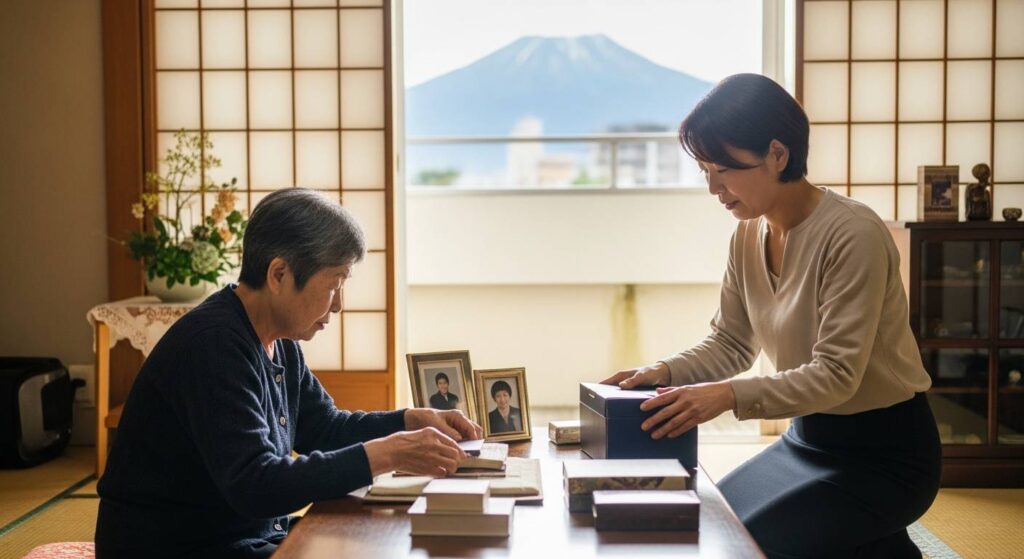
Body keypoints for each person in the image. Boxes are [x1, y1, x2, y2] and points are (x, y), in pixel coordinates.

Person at [602, 74, 940, 558]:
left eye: (724, 169)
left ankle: (877, 529)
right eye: (704, 170)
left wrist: (724, 397)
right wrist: (666, 372)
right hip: (807, 441)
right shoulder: (747, 235)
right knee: (709, 523)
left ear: (778, 155)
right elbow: (732, 344)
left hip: (887, 455)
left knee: (739, 548)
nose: (714, 187)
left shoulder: (854, 234)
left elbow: (838, 375)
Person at [95, 188, 482, 558]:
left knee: (383, 538)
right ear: (279, 274)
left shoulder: (278, 340)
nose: (339, 305)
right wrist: (386, 454)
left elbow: (324, 428)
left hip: (240, 538)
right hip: (178, 548)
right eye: (334, 285)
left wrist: (407, 420)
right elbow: (257, 484)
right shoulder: (213, 344)